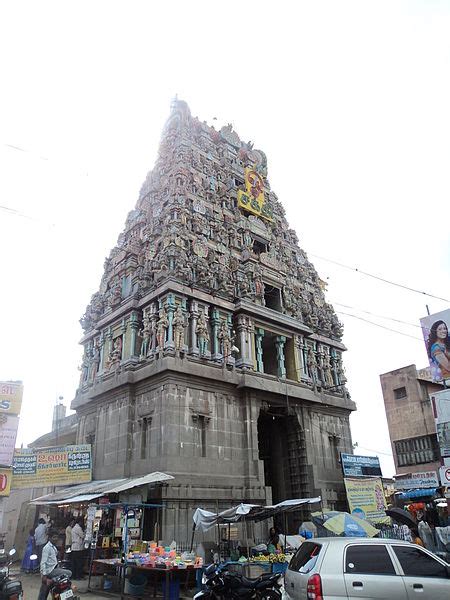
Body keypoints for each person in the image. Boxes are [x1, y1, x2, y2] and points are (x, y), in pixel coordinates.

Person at [38, 531, 72, 600]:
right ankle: (52, 580)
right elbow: (43, 562)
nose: (56, 539)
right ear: (49, 538)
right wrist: (44, 575)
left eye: (56, 537)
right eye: (54, 537)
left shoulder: (53, 546)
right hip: (50, 571)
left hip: (54, 569)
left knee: (44, 591)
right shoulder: (47, 548)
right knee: (68, 573)